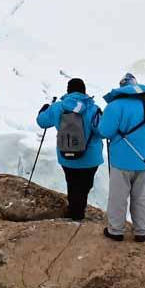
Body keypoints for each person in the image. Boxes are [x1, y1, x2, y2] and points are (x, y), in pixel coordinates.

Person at [97, 72, 145, 242]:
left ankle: (116, 230)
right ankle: (141, 231)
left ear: (122, 87)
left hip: (121, 161)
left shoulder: (115, 106)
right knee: (142, 197)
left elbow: (104, 131)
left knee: (118, 196)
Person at [35, 77, 102, 221]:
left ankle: (74, 210)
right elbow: (101, 132)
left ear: (68, 90)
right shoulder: (93, 108)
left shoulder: (58, 107)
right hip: (90, 158)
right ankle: (79, 210)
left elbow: (42, 122)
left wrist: (43, 110)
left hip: (66, 155)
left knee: (72, 183)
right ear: (84, 91)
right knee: (84, 186)